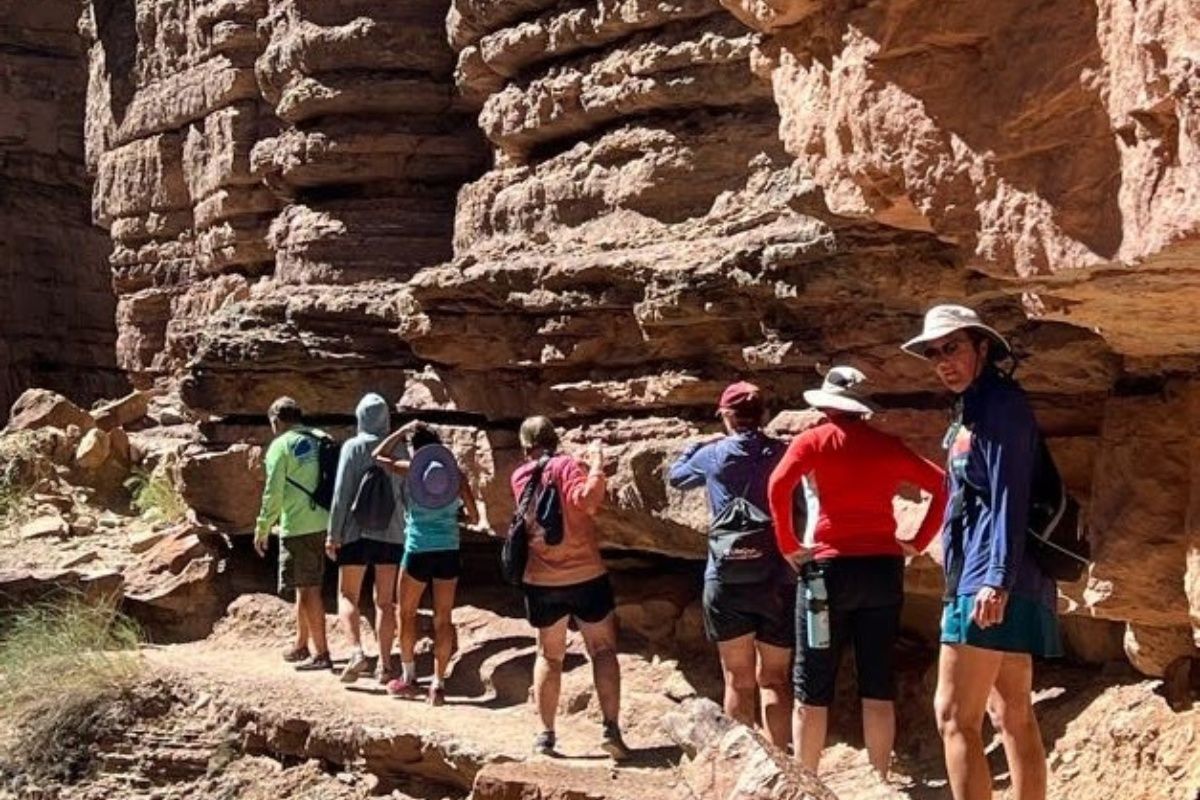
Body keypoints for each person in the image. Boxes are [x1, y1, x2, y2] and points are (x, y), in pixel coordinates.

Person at [902, 305, 1062, 800]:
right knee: (1010, 708)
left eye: (952, 348)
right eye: (934, 354)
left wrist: (996, 577)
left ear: (983, 347)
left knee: (953, 715)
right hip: (989, 574)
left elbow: (1010, 493)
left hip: (989, 580)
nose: (942, 361)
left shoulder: (1001, 405)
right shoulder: (972, 407)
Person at [767, 366, 947, 777]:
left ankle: (807, 780)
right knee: (877, 678)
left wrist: (788, 546)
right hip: (882, 570)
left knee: (812, 681)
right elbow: (943, 486)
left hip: (826, 573)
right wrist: (917, 541)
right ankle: (880, 776)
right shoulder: (887, 445)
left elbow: (778, 487)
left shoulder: (812, 441)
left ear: (827, 404)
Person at [666, 381, 794, 749]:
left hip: (727, 578)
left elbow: (677, 476)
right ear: (764, 414)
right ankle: (782, 765)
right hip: (777, 578)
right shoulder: (782, 452)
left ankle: (744, 764)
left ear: (726, 417)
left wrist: (696, 444)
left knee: (738, 678)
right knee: (775, 679)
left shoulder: (714, 455)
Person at [508, 416, 629, 760]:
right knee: (603, 650)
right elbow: (588, 499)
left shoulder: (520, 476)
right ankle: (610, 730)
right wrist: (595, 464)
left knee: (549, 654)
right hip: (586, 576)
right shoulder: (564, 466)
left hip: (542, 581)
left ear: (526, 446)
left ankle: (545, 736)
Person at [372, 423, 480, 704]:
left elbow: (377, 456)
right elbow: (475, 517)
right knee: (443, 618)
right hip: (448, 551)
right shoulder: (456, 476)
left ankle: (408, 678)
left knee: (405, 613)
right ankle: (438, 684)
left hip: (418, 549)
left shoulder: (411, 471)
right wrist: (454, 519)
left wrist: (401, 430)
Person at [326, 392, 407, 685]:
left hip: (354, 532)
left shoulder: (352, 447)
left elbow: (341, 493)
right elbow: (407, 494)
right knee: (385, 602)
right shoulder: (400, 449)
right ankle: (385, 666)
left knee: (348, 595)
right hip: (392, 533)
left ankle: (356, 651)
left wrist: (333, 534)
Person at [254, 396, 332, 671]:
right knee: (305, 586)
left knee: (309, 589)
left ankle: (321, 653)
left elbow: (273, 492)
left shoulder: (280, 445)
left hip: (298, 526)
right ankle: (301, 644)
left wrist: (263, 527)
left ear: (277, 420)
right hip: (323, 522)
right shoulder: (321, 437)